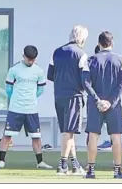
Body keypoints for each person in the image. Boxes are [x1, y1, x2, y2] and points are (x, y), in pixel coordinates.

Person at [0, 45, 52, 170]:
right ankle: (1, 161)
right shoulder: (14, 69)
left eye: (33, 59)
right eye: (29, 59)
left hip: (31, 109)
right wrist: (16, 98)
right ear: (24, 56)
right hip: (15, 108)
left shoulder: (39, 71)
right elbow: (8, 89)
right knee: (7, 135)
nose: (31, 62)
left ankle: (40, 162)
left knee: (36, 136)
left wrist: (31, 98)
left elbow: (40, 89)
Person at [82, 31, 122, 179]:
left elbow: (86, 83)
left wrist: (97, 100)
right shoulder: (121, 59)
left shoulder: (90, 60)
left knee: (93, 135)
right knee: (116, 136)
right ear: (112, 43)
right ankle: (118, 171)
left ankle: (91, 170)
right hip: (114, 105)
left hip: (95, 104)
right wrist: (111, 101)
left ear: (98, 44)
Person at [47, 25, 88, 175]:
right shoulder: (81, 54)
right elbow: (85, 79)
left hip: (58, 95)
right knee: (68, 132)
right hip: (74, 96)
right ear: (81, 38)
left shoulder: (56, 52)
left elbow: (50, 75)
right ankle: (62, 165)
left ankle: (75, 165)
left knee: (67, 132)